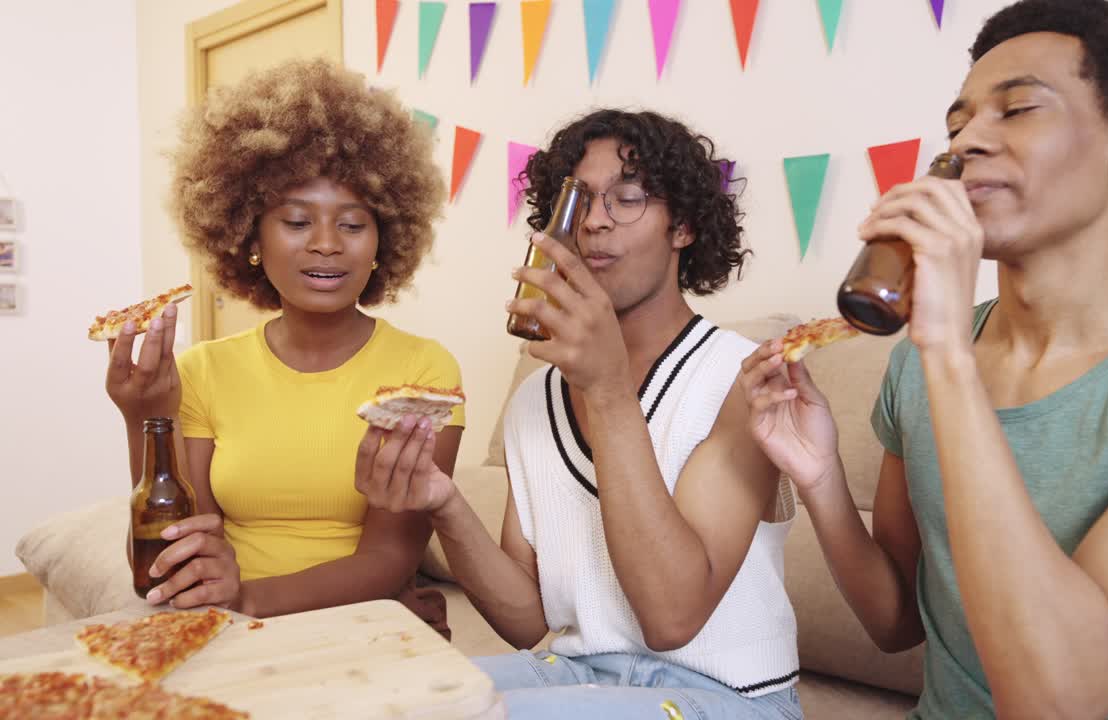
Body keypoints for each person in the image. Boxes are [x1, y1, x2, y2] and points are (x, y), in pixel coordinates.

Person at [740, 1, 1108, 717]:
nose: (969, 143)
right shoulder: (919, 365)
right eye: (957, 124)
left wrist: (949, 362)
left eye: (1018, 108)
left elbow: (1059, 696)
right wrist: (821, 480)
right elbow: (897, 623)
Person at [358, 109, 803, 719]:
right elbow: (525, 620)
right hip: (577, 675)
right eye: (580, 200)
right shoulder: (534, 397)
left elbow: (672, 617)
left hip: (727, 698)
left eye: (628, 198)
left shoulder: (744, 377)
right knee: (371, 698)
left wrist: (610, 391)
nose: (596, 221)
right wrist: (443, 502)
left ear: (686, 227)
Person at [104, 58, 459, 635]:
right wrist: (145, 421)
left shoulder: (421, 370)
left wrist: (244, 598)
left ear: (382, 241)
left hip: (360, 626)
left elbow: (391, 560)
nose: (326, 245)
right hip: (231, 630)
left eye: (352, 225)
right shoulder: (203, 370)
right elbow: (170, 554)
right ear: (249, 237)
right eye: (296, 221)